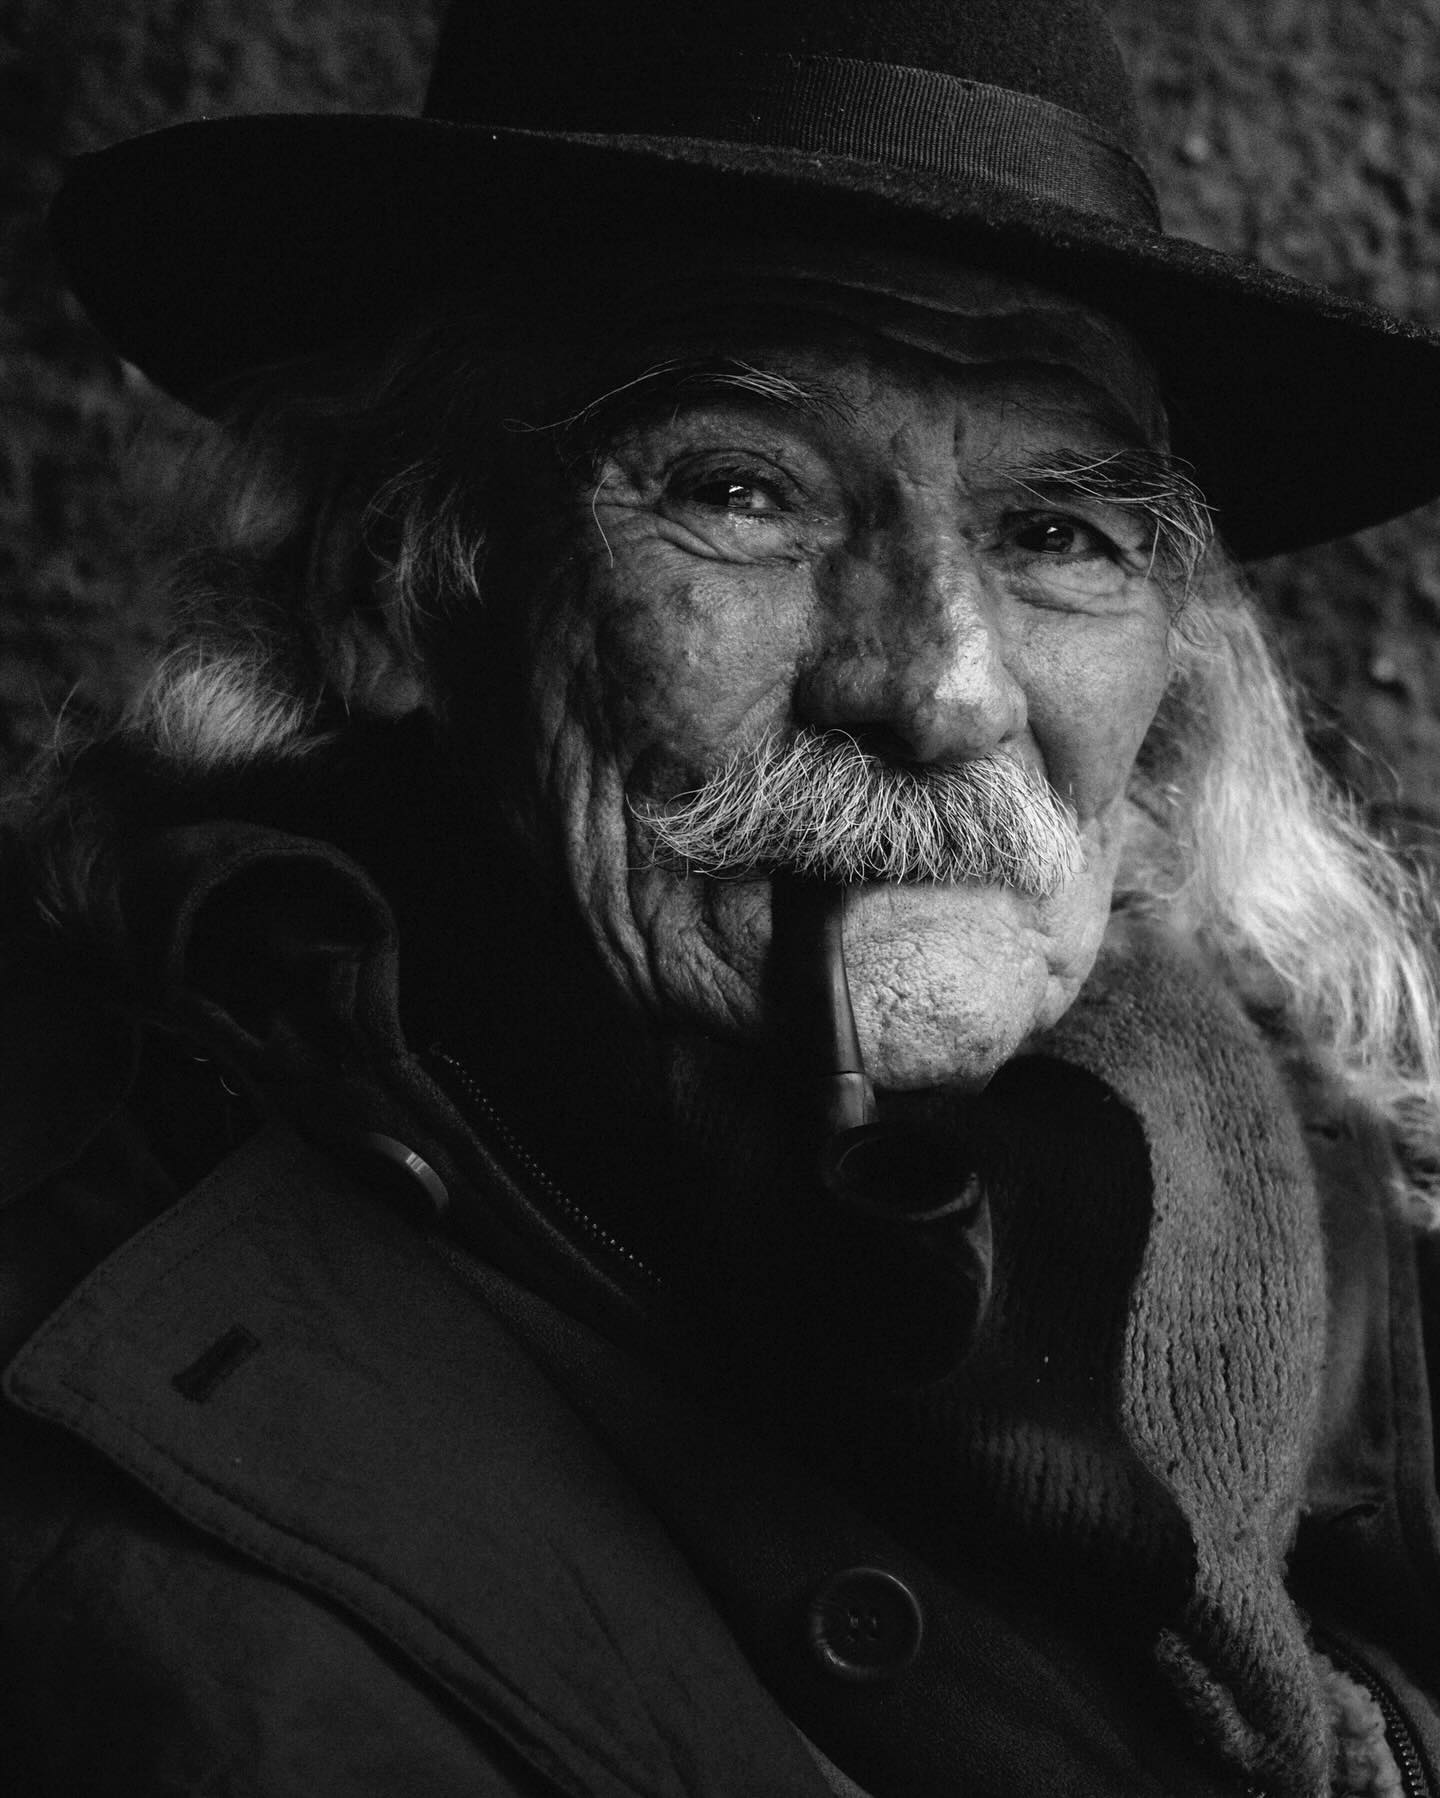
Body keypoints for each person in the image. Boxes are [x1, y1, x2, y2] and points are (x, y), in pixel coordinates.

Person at [5, 0, 1440, 1793]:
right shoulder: (101, 1362)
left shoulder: (1339, 1224)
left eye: (1061, 531)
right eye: (741, 489)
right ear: (397, 577)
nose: (941, 688)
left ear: (1180, 666)